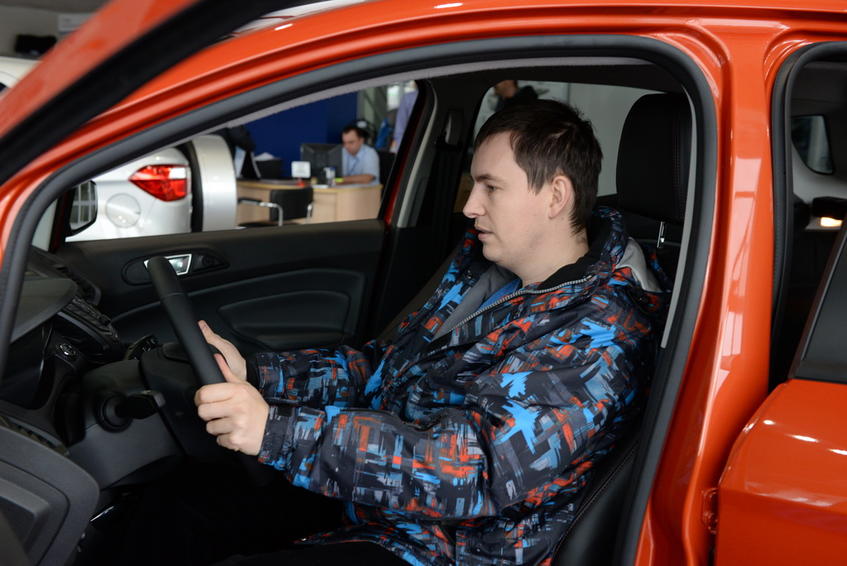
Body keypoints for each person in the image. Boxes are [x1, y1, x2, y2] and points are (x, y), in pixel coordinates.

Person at [195, 99, 668, 565]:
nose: (470, 206)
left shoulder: (601, 333)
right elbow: (383, 369)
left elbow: (470, 468)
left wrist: (277, 432)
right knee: (184, 509)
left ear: (555, 196)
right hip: (374, 505)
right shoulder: (489, 271)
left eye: (491, 187)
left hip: (445, 548)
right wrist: (258, 375)